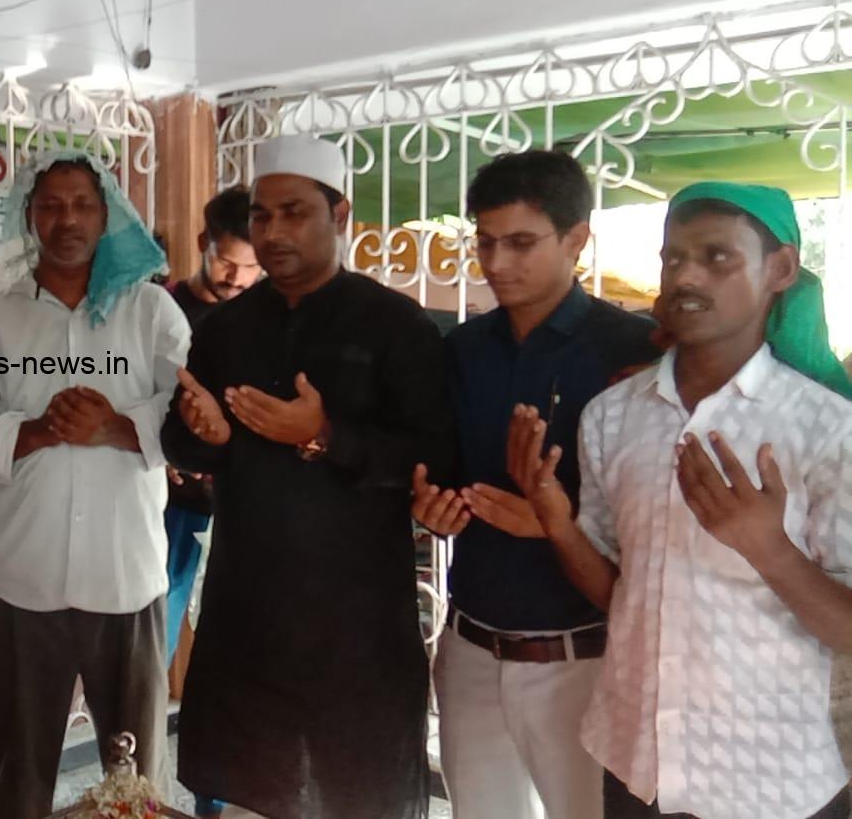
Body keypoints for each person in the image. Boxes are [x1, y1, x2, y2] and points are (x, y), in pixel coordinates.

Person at [510, 182, 852, 819]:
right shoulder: (612, 416)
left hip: (773, 783)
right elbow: (622, 597)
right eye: (673, 258)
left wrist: (769, 550)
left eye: (718, 257)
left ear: (780, 269)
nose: (686, 276)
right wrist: (558, 523)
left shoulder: (827, 429)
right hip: (638, 767)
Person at [161, 134, 455, 819]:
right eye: (261, 216)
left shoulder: (395, 325)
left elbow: (432, 456)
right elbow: (181, 438)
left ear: (339, 213)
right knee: (248, 795)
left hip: (355, 620)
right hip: (248, 610)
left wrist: (323, 436)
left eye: (293, 212)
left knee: (357, 794)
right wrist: (203, 435)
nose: (273, 232)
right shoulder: (227, 328)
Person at [412, 151, 659, 819]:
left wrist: (554, 522)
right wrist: (433, 507)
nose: (496, 263)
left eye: (521, 243)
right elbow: (445, 469)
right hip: (470, 644)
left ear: (576, 238)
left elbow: (658, 516)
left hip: (584, 653)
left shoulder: (632, 352)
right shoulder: (463, 349)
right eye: (485, 242)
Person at [0, 149, 190, 819]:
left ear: (105, 215)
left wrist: (115, 427)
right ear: (29, 215)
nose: (67, 220)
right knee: (17, 779)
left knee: (135, 787)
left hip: (126, 579)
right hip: (20, 581)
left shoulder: (151, 314)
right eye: (51, 205)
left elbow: (187, 409)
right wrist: (33, 432)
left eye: (82, 204)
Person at [163, 187, 256, 819]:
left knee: (232, 655)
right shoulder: (163, 309)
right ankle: (146, 785)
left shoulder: (264, 317)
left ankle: (220, 800)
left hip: (243, 510)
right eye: (227, 261)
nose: (237, 278)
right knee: (157, 640)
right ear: (204, 244)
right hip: (173, 508)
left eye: (252, 268)